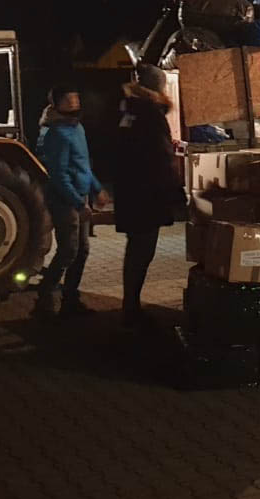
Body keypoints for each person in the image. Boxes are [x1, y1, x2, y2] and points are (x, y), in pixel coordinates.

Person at [113, 63, 183, 328]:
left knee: (136, 249)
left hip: (130, 192)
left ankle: (130, 304)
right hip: (147, 193)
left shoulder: (128, 111)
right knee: (142, 251)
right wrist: (177, 194)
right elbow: (163, 158)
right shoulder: (151, 114)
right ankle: (131, 308)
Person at [34, 81, 102, 317]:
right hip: (65, 200)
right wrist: (78, 203)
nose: (74, 103)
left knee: (81, 250)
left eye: (76, 98)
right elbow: (59, 175)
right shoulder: (55, 133)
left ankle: (70, 299)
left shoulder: (76, 127)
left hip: (80, 196)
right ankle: (45, 296)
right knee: (68, 251)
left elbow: (82, 164)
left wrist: (96, 189)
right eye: (68, 100)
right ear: (56, 104)